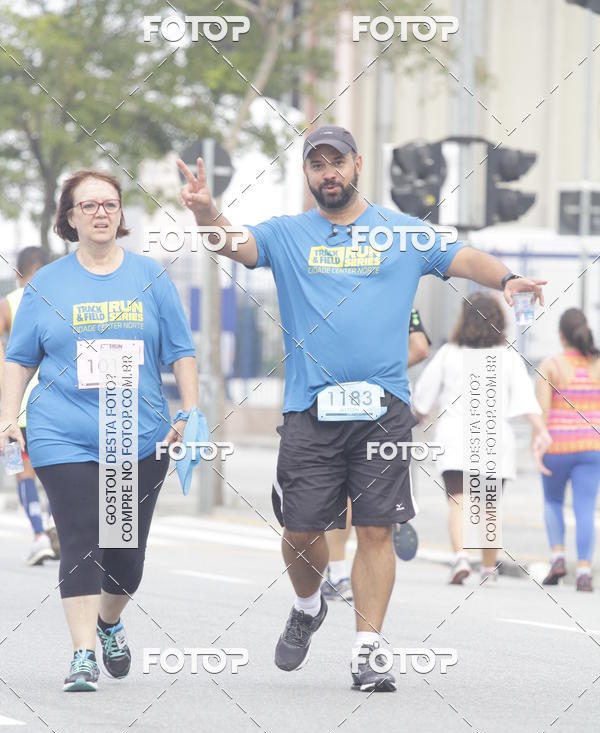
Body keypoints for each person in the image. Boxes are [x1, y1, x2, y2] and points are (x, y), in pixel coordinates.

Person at [178, 124, 547, 692]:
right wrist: (207, 212)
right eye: (317, 164)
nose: (328, 173)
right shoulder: (288, 234)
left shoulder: (401, 234)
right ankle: (307, 605)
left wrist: (509, 277)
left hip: (383, 411)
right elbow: (235, 243)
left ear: (357, 166)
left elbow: (461, 255)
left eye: (337, 162)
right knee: (302, 531)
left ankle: (369, 648)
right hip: (310, 409)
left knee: (376, 528)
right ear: (307, 174)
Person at [0, 169, 198, 692]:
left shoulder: (150, 278)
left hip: (137, 434)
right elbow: (18, 359)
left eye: (109, 204)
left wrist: (190, 413)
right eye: (87, 206)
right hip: (62, 433)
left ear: (121, 215)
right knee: (82, 535)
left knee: (125, 556)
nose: (100, 213)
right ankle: (82, 654)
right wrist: (8, 419)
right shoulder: (46, 284)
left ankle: (109, 621)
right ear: (69, 218)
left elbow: (181, 351)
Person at [413, 292, 551, 584]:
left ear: (463, 319)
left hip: (455, 436)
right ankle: (488, 570)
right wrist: (540, 430)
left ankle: (461, 557)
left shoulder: (450, 353)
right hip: (494, 439)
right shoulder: (509, 357)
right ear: (499, 321)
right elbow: (527, 402)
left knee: (458, 502)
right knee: (489, 503)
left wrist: (415, 417)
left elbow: (422, 398)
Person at [321, 307, 431, 603]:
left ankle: (338, 573)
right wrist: (386, 372)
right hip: (390, 407)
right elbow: (420, 348)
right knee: (377, 506)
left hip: (341, 402)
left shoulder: (337, 293)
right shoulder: (400, 294)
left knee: (342, 495)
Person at [0, 246, 59, 565]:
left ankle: (39, 535)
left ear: (18, 273)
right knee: (53, 473)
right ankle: (53, 524)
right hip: (52, 405)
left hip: (14, 407)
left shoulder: (7, 304)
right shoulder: (57, 299)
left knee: (19, 472)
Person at [536, 308, 600, 591]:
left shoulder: (550, 365)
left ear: (561, 336)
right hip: (591, 446)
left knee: (552, 501)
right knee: (585, 507)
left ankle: (558, 558)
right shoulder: (597, 364)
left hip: (557, 446)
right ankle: (584, 571)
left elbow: (541, 412)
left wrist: (536, 445)